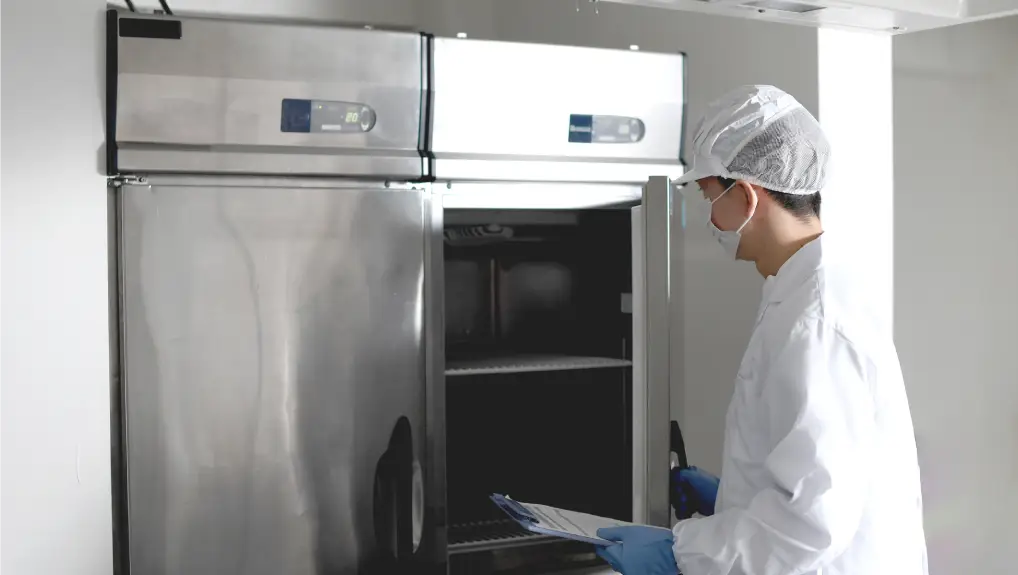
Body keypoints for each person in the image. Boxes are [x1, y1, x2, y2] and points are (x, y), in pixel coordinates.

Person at [595, 85, 929, 575]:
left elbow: (811, 525)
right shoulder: (802, 290)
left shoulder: (814, 320)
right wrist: (734, 495)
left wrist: (681, 552)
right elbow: (812, 474)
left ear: (747, 194)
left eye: (709, 195)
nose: (709, 217)